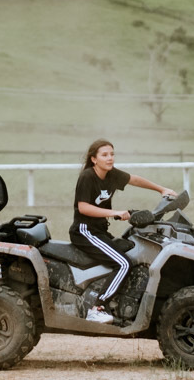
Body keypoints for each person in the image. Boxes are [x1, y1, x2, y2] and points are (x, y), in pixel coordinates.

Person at [70, 138, 176, 324]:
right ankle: (97, 307)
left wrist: (161, 189)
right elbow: (83, 208)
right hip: (85, 231)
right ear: (94, 159)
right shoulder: (88, 176)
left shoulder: (111, 175)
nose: (110, 158)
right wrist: (115, 213)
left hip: (100, 231)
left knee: (130, 252)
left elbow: (134, 179)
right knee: (123, 263)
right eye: (104, 155)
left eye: (112, 154)